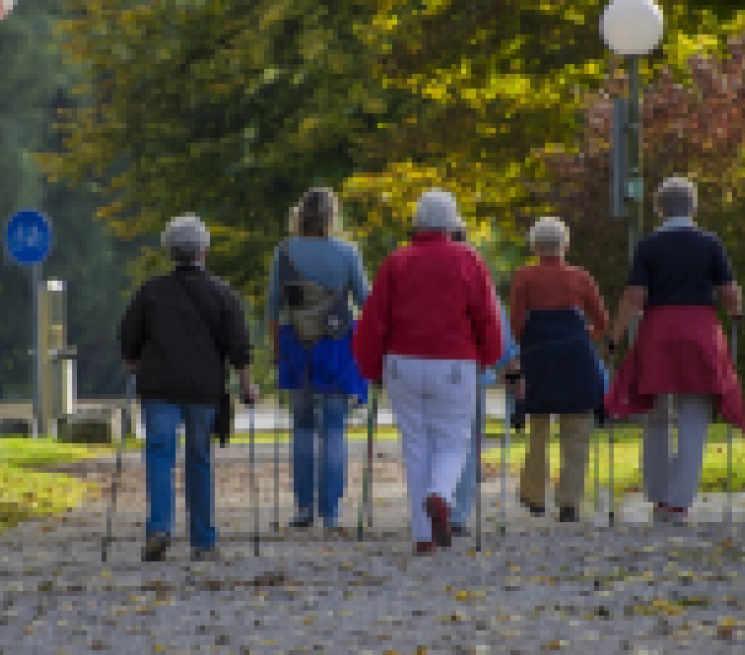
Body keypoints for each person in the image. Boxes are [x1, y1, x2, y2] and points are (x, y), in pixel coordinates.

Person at [353, 189, 503, 554]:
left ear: (418, 222)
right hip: (454, 361)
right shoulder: (468, 259)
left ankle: (423, 536)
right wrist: (490, 355)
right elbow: (486, 314)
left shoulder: (396, 261)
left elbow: (374, 320)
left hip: (403, 362)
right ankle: (440, 495)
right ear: (453, 223)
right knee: (452, 441)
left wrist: (370, 365)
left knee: (416, 444)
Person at [605, 176, 744, 525]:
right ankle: (680, 503)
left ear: (659, 209)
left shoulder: (649, 245)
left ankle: (658, 499)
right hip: (699, 330)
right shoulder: (710, 243)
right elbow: (728, 292)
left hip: (658, 331)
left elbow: (634, 297)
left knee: (656, 414)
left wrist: (615, 336)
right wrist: (737, 314)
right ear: (693, 206)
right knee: (693, 416)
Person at [118, 214, 257, 562]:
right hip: (203, 390)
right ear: (204, 251)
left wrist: (133, 361)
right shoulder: (222, 293)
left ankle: (160, 529)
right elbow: (238, 343)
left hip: (159, 388)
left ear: (169, 252)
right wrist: (246, 384)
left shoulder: (151, 291)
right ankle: (204, 540)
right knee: (199, 460)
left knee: (160, 457)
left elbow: (128, 334)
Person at [265, 188, 369, 530]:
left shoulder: (284, 253)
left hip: (296, 343)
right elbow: (365, 302)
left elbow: (272, 308)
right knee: (334, 429)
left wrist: (276, 349)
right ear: (331, 216)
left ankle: (304, 507)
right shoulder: (347, 252)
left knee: (303, 426)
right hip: (337, 345)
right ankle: (331, 512)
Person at [510, 216, 610, 522]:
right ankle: (569, 504)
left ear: (534, 246)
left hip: (539, 355)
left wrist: (522, 351)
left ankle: (534, 496)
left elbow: (516, 323)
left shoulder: (523, 276)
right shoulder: (580, 276)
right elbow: (602, 321)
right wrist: (584, 337)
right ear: (565, 245)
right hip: (575, 356)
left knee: (538, 428)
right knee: (577, 431)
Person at [449, 228, 521, 536]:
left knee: (435, 440)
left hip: (428, 367)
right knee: (467, 442)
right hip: (471, 371)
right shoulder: (481, 281)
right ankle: (458, 515)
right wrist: (509, 366)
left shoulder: (416, 275)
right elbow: (499, 329)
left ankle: (437, 504)